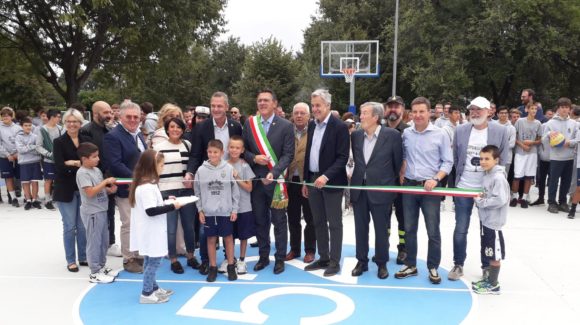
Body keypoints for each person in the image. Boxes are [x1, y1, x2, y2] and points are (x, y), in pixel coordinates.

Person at [449, 96, 509, 282]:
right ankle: (458, 264)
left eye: (479, 109)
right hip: (464, 187)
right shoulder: (460, 130)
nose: (475, 112)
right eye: (472, 109)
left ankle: (486, 266)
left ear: (489, 111)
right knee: (460, 228)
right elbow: (456, 158)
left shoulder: (501, 131)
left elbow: (504, 158)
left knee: (487, 230)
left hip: (487, 191)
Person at [395, 97, 452, 284]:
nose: (418, 115)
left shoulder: (441, 134)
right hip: (410, 187)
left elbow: (448, 162)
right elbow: (403, 156)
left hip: (430, 190)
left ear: (430, 113)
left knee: (432, 230)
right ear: (410, 113)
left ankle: (433, 266)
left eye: (422, 111)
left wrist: (436, 179)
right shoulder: (406, 134)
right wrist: (402, 169)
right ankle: (411, 264)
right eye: (415, 111)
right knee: (409, 229)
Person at [186, 92, 243, 274]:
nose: (216, 109)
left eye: (220, 106)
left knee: (228, 225)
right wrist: (189, 173)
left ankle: (229, 260)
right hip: (209, 182)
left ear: (226, 107)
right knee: (206, 229)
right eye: (213, 106)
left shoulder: (236, 126)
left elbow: (241, 149)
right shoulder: (201, 128)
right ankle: (206, 261)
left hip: (228, 180)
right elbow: (195, 154)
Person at [242, 88, 294, 274]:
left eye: (266, 100)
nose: (262, 103)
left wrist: (274, 172)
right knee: (260, 221)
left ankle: (280, 258)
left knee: (279, 222)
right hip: (256, 182)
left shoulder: (286, 126)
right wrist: (254, 158)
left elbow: (288, 154)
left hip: (276, 182)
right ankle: (263, 257)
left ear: (274, 103)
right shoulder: (250, 124)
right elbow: (243, 150)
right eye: (259, 101)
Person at [350, 102, 402, 279]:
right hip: (359, 189)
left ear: (375, 117)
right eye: (361, 113)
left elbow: (397, 164)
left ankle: (381, 263)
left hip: (381, 190)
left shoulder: (393, 135)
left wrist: (385, 183)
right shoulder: (356, 136)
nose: (360, 116)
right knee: (360, 228)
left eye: (364, 113)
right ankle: (362, 261)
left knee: (381, 230)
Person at [303, 89, 349, 277]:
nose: (315, 109)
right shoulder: (312, 125)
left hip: (331, 183)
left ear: (328, 105)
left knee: (334, 223)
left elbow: (342, 157)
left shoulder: (339, 127)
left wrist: (326, 176)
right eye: (313, 105)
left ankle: (334, 261)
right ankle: (323, 257)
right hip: (313, 181)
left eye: (318, 105)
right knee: (318, 221)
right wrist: (307, 180)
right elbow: (308, 154)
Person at [103, 100, 147, 273]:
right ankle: (129, 258)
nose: (133, 119)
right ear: (120, 116)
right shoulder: (113, 136)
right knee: (128, 223)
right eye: (128, 116)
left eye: (136, 117)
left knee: (140, 222)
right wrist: (136, 179)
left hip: (142, 187)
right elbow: (115, 163)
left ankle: (139, 254)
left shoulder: (138, 134)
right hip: (126, 188)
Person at [129, 150, 177, 304]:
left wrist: (165, 199)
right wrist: (173, 206)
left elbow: (152, 203)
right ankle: (146, 293)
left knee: (150, 260)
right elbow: (151, 210)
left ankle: (154, 288)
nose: (163, 168)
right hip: (152, 231)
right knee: (154, 263)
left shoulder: (147, 184)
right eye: (161, 165)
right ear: (152, 166)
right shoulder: (146, 187)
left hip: (151, 230)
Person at [152, 118, 199, 274]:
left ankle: (191, 256)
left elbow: (192, 166)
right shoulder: (158, 148)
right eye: (172, 127)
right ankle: (173, 259)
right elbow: (154, 170)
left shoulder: (188, 145)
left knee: (189, 227)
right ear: (167, 129)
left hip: (186, 191)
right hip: (167, 192)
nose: (175, 130)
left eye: (178, 127)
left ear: (183, 129)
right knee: (171, 228)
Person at [195, 139, 240, 282]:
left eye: (215, 152)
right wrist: (200, 210)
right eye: (210, 152)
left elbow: (235, 191)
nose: (212, 155)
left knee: (228, 239)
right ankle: (213, 267)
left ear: (222, 153)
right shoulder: (201, 170)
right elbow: (197, 192)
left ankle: (231, 266)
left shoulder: (228, 169)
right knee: (211, 240)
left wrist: (234, 209)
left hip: (225, 211)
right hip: (209, 212)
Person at [81, 101, 120, 257]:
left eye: (110, 112)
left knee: (110, 212)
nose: (109, 115)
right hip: (94, 179)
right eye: (105, 112)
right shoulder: (86, 131)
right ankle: (95, 249)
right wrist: (101, 179)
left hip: (108, 177)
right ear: (95, 113)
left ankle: (110, 242)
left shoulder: (109, 130)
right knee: (95, 216)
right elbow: (88, 157)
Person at [75, 142, 119, 283]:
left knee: (103, 241)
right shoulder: (82, 173)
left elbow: (98, 188)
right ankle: (94, 272)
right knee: (94, 242)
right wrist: (105, 182)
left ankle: (101, 266)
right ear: (84, 158)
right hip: (92, 212)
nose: (98, 159)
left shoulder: (96, 170)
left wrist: (109, 189)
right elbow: (89, 192)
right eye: (94, 157)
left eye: (98, 156)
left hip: (102, 210)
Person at [53, 108, 89, 272]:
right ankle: (70, 260)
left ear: (80, 123)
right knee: (69, 226)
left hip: (83, 188)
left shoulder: (86, 140)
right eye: (69, 121)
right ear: (64, 123)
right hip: (65, 189)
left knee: (82, 226)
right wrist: (76, 163)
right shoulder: (59, 142)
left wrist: (70, 162)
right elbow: (59, 166)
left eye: (75, 121)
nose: (72, 124)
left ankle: (83, 256)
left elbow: (91, 162)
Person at [472, 145, 509, 295]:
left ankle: (493, 285)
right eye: (481, 158)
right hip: (485, 221)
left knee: (494, 254)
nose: (483, 161)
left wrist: (481, 202)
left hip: (493, 223)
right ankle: (489, 280)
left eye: (487, 158)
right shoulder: (487, 175)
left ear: (496, 160)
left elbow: (500, 199)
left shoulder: (498, 177)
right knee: (488, 252)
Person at [286, 103, 316, 264]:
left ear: (308, 115)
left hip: (308, 180)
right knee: (293, 217)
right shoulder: (287, 131)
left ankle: (310, 250)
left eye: (302, 113)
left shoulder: (314, 131)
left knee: (310, 218)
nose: (299, 116)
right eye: (296, 113)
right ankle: (294, 249)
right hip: (291, 181)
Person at [383, 95, 409, 264]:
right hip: (383, 181)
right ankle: (382, 246)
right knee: (383, 217)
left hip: (401, 182)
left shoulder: (408, 131)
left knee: (403, 217)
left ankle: (403, 249)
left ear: (403, 109)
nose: (393, 109)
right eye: (390, 106)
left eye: (396, 106)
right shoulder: (378, 129)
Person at [542, 97, 577, 214]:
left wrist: (569, 143)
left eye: (566, 107)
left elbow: (577, 139)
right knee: (553, 181)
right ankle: (552, 203)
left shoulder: (574, 124)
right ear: (558, 108)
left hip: (570, 157)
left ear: (570, 109)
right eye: (562, 107)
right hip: (556, 157)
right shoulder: (551, 123)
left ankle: (562, 202)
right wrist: (549, 134)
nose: (564, 109)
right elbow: (543, 139)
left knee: (566, 181)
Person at [227, 135, 256, 274]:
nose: (234, 150)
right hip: (227, 208)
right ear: (228, 148)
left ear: (242, 150)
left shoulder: (245, 165)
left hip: (243, 207)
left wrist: (236, 177)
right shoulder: (223, 165)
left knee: (243, 235)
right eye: (232, 147)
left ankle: (242, 260)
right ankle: (229, 259)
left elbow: (249, 188)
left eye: (237, 148)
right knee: (228, 235)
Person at [510, 103, 541, 208]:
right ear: (527, 109)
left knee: (528, 176)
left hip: (532, 153)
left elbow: (539, 139)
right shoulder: (520, 121)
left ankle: (524, 198)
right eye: (532, 108)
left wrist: (532, 143)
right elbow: (514, 137)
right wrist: (523, 145)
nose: (534, 111)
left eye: (535, 109)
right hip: (520, 152)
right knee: (517, 176)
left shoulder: (538, 123)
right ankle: (514, 197)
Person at [35, 109, 63, 210]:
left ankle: (59, 198)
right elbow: (38, 146)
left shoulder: (60, 129)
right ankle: (47, 200)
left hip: (59, 160)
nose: (60, 119)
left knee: (59, 179)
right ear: (52, 117)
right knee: (48, 180)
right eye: (58, 117)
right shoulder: (42, 130)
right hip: (48, 160)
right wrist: (48, 154)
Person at [15, 117, 43, 210]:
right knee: (25, 182)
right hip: (24, 163)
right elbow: (21, 150)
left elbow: (38, 150)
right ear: (21, 126)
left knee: (35, 182)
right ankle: (28, 200)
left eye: (30, 125)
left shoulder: (35, 136)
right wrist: (32, 147)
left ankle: (34, 200)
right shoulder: (18, 137)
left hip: (35, 162)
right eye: (26, 125)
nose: (28, 127)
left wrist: (28, 147)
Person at [0, 106, 22, 207]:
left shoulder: (17, 128)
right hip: (4, 156)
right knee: (8, 177)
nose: (5, 117)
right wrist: (7, 154)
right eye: (3, 116)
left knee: (19, 176)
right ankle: (12, 197)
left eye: (7, 116)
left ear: (11, 116)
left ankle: (25, 196)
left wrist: (17, 153)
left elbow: (20, 141)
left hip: (18, 155)